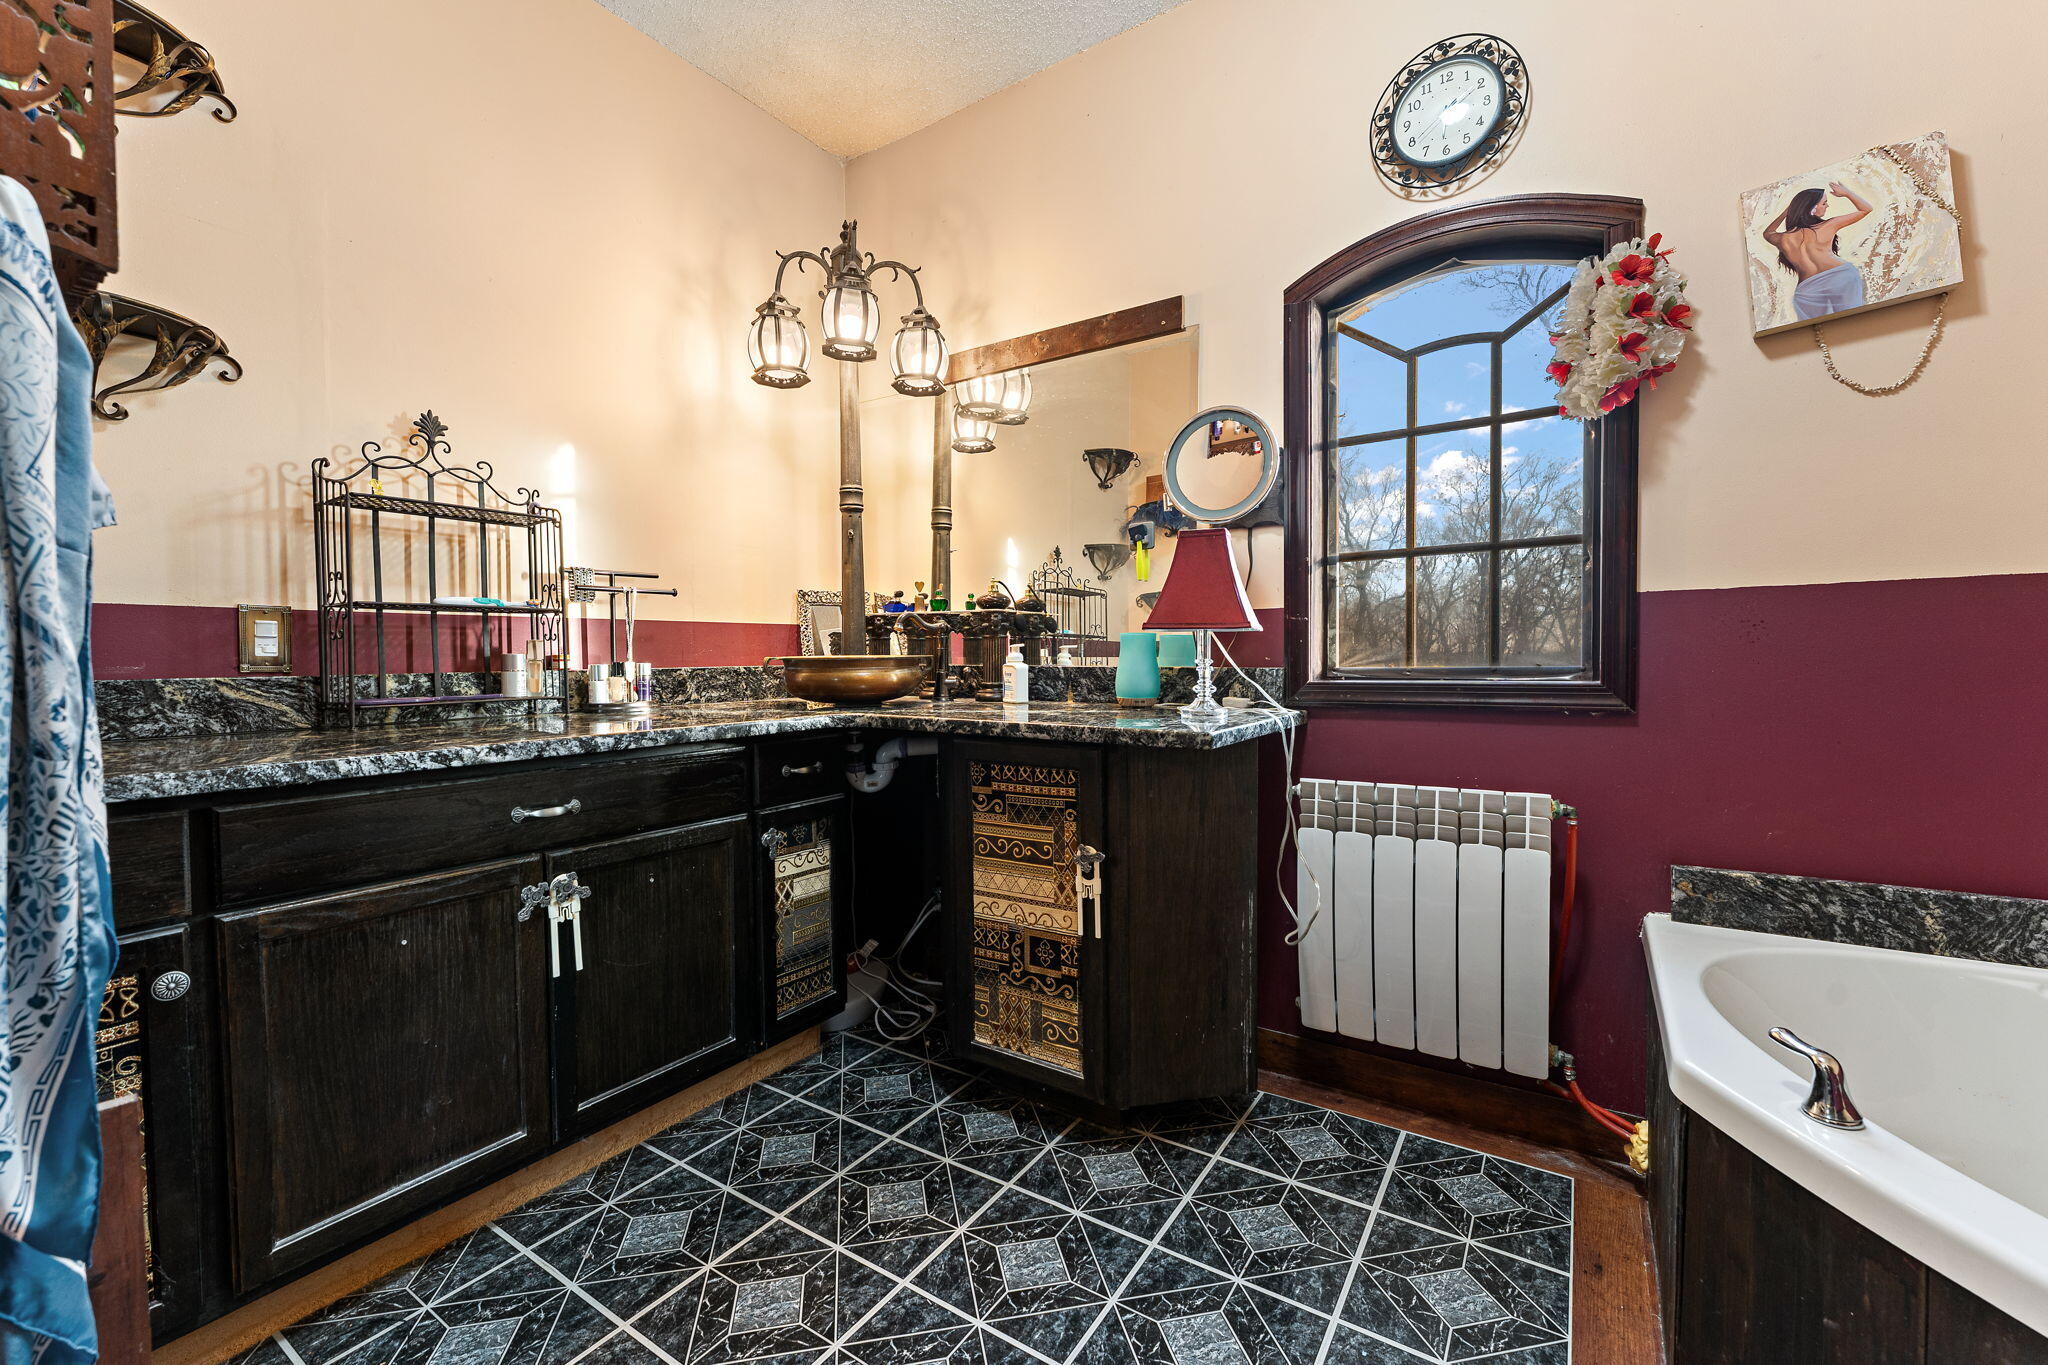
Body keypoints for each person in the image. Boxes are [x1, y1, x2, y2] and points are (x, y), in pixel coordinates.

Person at [1763, 181, 1877, 320]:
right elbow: (1866, 209)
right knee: (1854, 321)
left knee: (1818, 329)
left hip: (1807, 289)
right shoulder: (1828, 226)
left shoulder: (1783, 239)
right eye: (1824, 203)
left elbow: (1768, 232)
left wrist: (1787, 212)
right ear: (1812, 208)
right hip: (1841, 277)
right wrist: (1846, 193)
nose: (1827, 206)